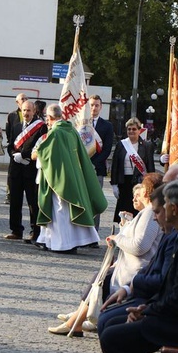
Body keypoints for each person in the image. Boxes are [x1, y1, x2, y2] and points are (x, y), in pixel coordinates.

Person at [98, 180, 178, 353]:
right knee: (111, 325)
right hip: (173, 314)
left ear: (174, 209)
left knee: (112, 337)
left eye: (162, 207)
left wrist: (147, 311)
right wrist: (147, 308)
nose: (154, 215)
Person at [49, 173, 164, 336]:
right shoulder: (147, 212)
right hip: (129, 267)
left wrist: (118, 238)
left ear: (146, 191)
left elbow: (140, 246)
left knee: (102, 278)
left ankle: (77, 321)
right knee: (100, 277)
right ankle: (77, 318)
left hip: (135, 270)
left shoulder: (150, 213)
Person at [33, 103, 107, 253]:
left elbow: (43, 154)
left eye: (47, 118)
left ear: (50, 117)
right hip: (72, 177)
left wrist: (36, 153)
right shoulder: (71, 131)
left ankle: (63, 244)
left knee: (60, 211)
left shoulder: (55, 133)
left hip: (59, 179)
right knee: (66, 211)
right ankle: (51, 240)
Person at [5, 100, 47, 242]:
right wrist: (13, 155)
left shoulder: (41, 127)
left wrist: (24, 155)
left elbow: (40, 146)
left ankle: (35, 232)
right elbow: (10, 145)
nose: (26, 113)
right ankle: (16, 230)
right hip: (16, 169)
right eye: (24, 110)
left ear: (34, 111)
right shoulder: (16, 126)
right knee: (15, 201)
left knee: (33, 203)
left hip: (31, 169)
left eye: (29, 111)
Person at [110, 117, 155, 223]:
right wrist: (114, 184)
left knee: (137, 209)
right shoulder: (121, 145)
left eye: (134, 129)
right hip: (123, 182)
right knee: (124, 211)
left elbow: (150, 167)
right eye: (129, 129)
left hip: (139, 183)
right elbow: (115, 164)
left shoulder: (146, 146)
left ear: (139, 130)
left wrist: (151, 184)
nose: (131, 131)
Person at [90, 95, 114, 229]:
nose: (94, 108)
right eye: (92, 105)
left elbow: (107, 149)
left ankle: (93, 234)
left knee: (95, 201)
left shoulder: (107, 126)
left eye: (96, 105)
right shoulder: (81, 124)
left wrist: (93, 164)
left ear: (101, 107)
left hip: (97, 169)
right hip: (81, 168)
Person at [4, 93, 28, 204]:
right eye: (22, 99)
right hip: (15, 149)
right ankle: (10, 194)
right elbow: (9, 132)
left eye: (26, 98)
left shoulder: (33, 113)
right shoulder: (12, 115)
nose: (24, 100)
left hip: (27, 150)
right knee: (12, 173)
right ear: (17, 102)